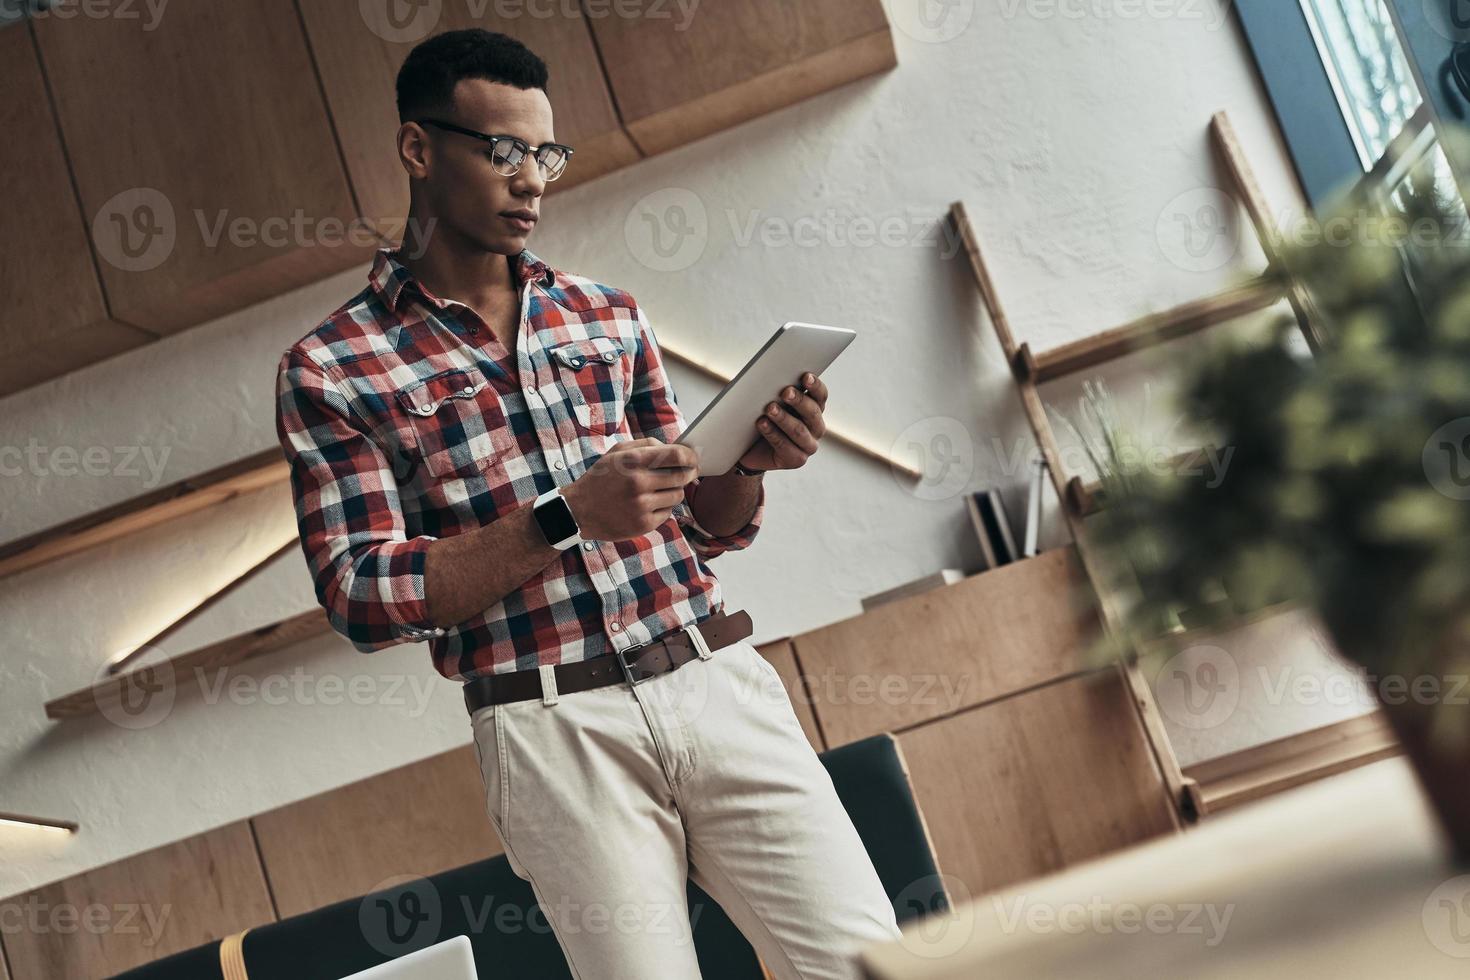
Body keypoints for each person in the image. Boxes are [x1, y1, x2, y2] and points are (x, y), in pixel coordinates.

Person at [273, 28, 900, 979]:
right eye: (504, 152)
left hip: (712, 678)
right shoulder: (330, 369)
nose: (533, 181)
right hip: (552, 731)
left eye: (546, 155)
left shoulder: (605, 315)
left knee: (873, 967)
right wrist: (564, 516)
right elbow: (360, 593)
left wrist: (752, 466)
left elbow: (699, 524)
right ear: (418, 150)